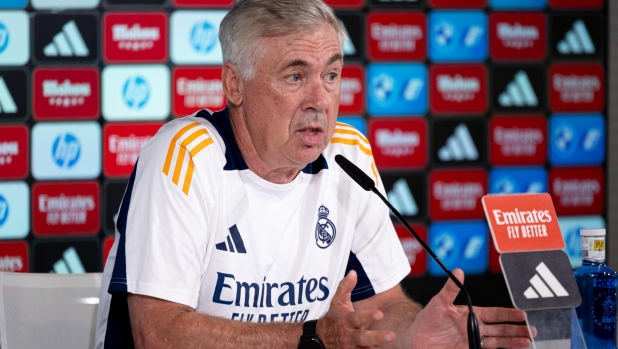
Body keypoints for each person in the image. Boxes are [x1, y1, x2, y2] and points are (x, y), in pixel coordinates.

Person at [95, 0, 534, 348]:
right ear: (234, 85)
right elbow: (159, 336)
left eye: (331, 74)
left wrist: (414, 333)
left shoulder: (349, 156)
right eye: (295, 76)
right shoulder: (184, 156)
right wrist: (312, 337)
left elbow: (381, 306)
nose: (320, 99)